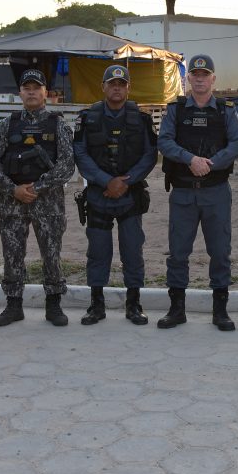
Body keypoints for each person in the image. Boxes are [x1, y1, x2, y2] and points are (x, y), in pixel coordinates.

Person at [157, 55, 238, 331]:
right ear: (188, 78)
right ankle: (176, 309)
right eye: (195, 74)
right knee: (178, 252)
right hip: (183, 192)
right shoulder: (176, 109)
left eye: (204, 74)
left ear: (213, 79)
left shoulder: (225, 110)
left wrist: (211, 163)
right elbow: (164, 141)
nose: (199, 78)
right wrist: (190, 160)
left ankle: (220, 311)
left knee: (220, 252)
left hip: (215, 192)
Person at [0, 69, 75, 327]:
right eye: (27, 88)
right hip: (12, 203)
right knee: (12, 255)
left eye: (37, 88)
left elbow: (67, 165)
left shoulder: (58, 125)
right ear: (20, 93)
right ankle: (13, 305)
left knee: (51, 254)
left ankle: (54, 304)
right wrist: (13, 189)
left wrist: (37, 187)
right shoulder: (7, 124)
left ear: (46, 92)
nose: (32, 92)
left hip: (48, 203)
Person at [73, 65, 157, 326]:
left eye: (122, 84)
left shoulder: (141, 119)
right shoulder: (88, 118)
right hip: (99, 195)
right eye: (112, 84)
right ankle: (96, 305)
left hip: (130, 195)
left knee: (132, 250)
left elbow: (150, 155)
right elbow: (80, 154)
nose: (117, 88)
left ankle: (134, 305)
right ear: (103, 87)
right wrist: (106, 181)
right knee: (98, 251)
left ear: (128, 88)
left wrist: (125, 182)